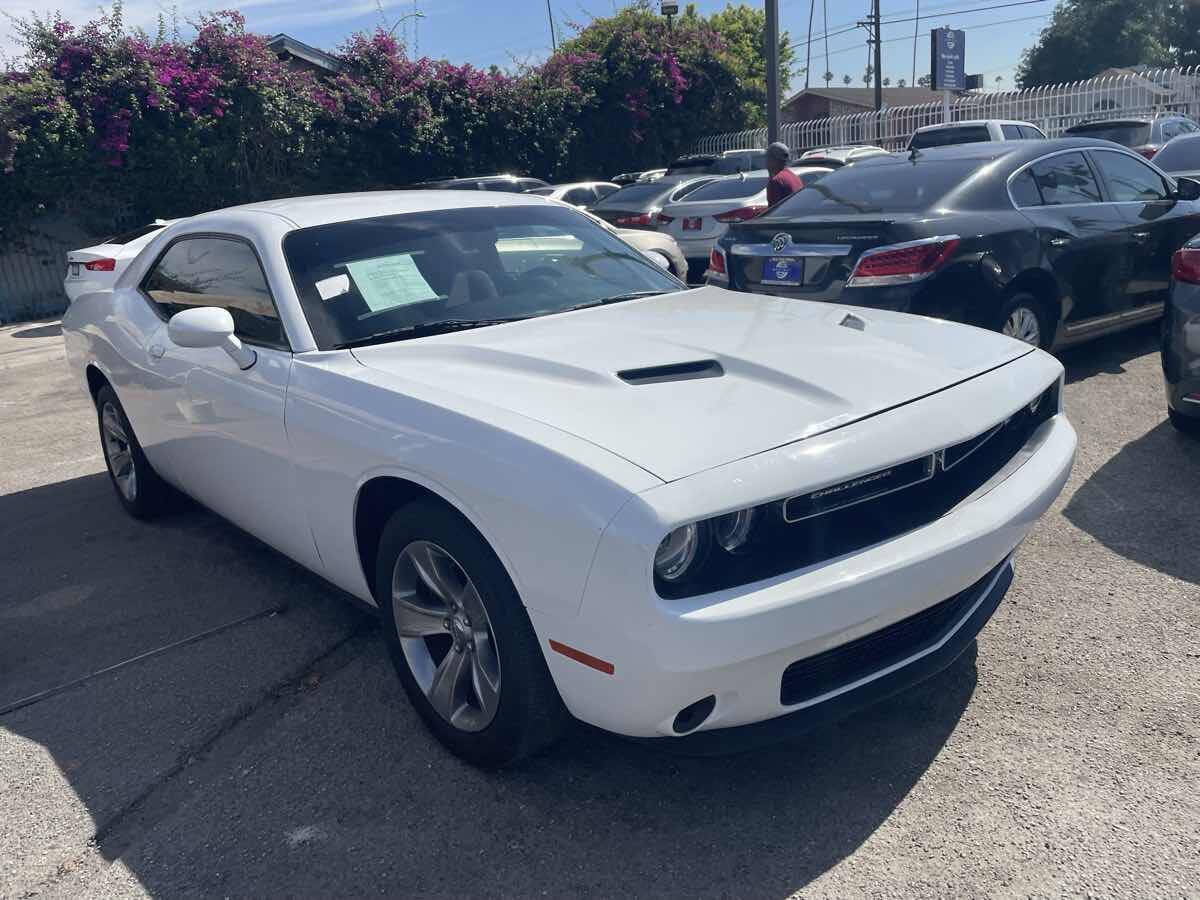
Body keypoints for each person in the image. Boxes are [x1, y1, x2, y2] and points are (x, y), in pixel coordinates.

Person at [764, 141, 802, 207]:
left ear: (773, 159)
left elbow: (773, 211)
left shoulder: (776, 181)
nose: (766, 162)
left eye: (767, 158)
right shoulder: (795, 177)